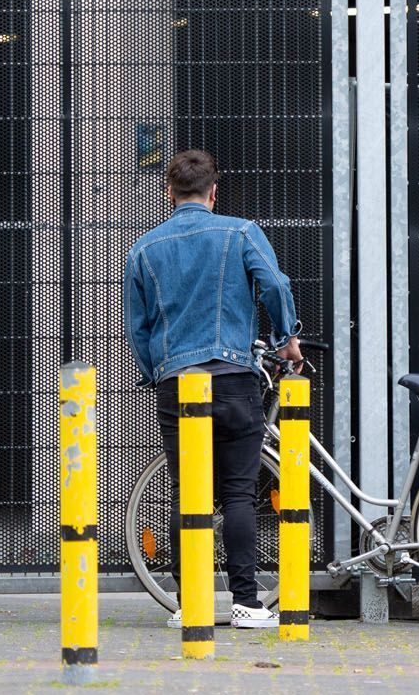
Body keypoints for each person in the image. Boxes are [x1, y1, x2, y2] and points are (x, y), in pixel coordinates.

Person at [123, 149, 303, 629]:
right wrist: (286, 339)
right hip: (233, 377)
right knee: (240, 492)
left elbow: (136, 328)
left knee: (189, 494)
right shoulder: (241, 232)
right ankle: (247, 603)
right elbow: (276, 286)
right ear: (213, 192)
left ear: (169, 193)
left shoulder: (143, 248)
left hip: (176, 384)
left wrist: (155, 371)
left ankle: (190, 603)